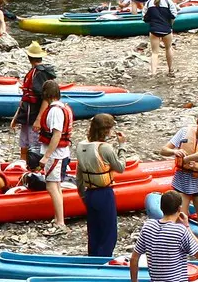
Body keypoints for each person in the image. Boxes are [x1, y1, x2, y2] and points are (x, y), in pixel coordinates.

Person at [75, 113, 128, 258]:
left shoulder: (81, 146)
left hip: (89, 193)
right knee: (108, 233)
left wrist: (83, 195)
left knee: (94, 232)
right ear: (106, 130)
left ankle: (93, 259)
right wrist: (122, 146)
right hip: (104, 193)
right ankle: (103, 262)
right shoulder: (105, 148)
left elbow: (78, 176)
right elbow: (120, 167)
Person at [35, 78, 74, 231]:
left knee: (52, 187)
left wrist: (46, 156)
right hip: (60, 153)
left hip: (56, 155)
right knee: (56, 185)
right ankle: (58, 218)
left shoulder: (55, 111)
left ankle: (60, 222)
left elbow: (56, 135)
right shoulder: (62, 107)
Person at [9, 44, 54, 169]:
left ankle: (35, 169)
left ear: (29, 57)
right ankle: (23, 167)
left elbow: (46, 97)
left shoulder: (40, 74)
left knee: (34, 147)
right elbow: (25, 97)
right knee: (24, 144)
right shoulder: (33, 72)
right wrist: (16, 117)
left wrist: (39, 119)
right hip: (26, 116)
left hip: (34, 116)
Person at [143, 0, 177, 75]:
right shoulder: (169, 2)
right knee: (168, 49)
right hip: (167, 29)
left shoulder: (149, 2)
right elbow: (174, 15)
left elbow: (144, 18)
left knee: (154, 52)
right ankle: (170, 69)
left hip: (154, 30)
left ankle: (153, 72)